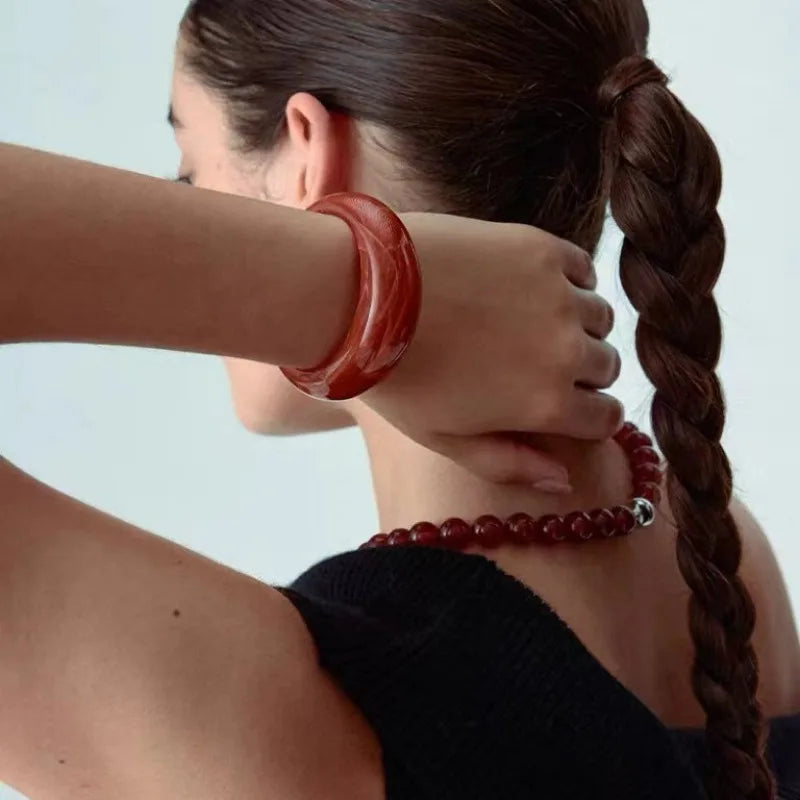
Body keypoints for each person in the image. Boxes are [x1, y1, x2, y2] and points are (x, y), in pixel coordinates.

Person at [0, 3, 797, 800]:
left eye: (189, 175)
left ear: (308, 154)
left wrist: (357, 288)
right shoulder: (721, 557)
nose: (187, 202)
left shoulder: (304, 707)